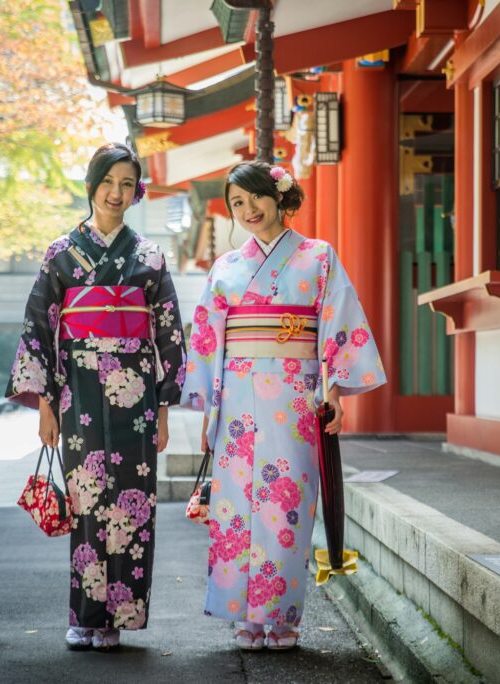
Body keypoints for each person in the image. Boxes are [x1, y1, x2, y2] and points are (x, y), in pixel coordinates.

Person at [181, 160, 386, 650]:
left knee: (287, 505)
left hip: (296, 398)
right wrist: (210, 404)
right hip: (236, 399)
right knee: (236, 509)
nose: (248, 210)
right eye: (237, 203)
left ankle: (283, 616)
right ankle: (244, 616)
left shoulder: (318, 257)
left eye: (255, 198)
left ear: (279, 198)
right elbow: (209, 338)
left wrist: (334, 390)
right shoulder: (227, 266)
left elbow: (338, 319)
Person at [6, 142, 186, 651]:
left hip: (138, 391)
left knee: (134, 503)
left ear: (137, 192)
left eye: (127, 184)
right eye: (109, 182)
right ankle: (85, 615)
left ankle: (119, 617)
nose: (116, 193)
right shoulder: (61, 253)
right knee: (86, 498)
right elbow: (39, 329)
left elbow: (169, 331)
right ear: (92, 185)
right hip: (78, 389)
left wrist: (166, 406)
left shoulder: (150, 256)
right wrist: (45, 406)